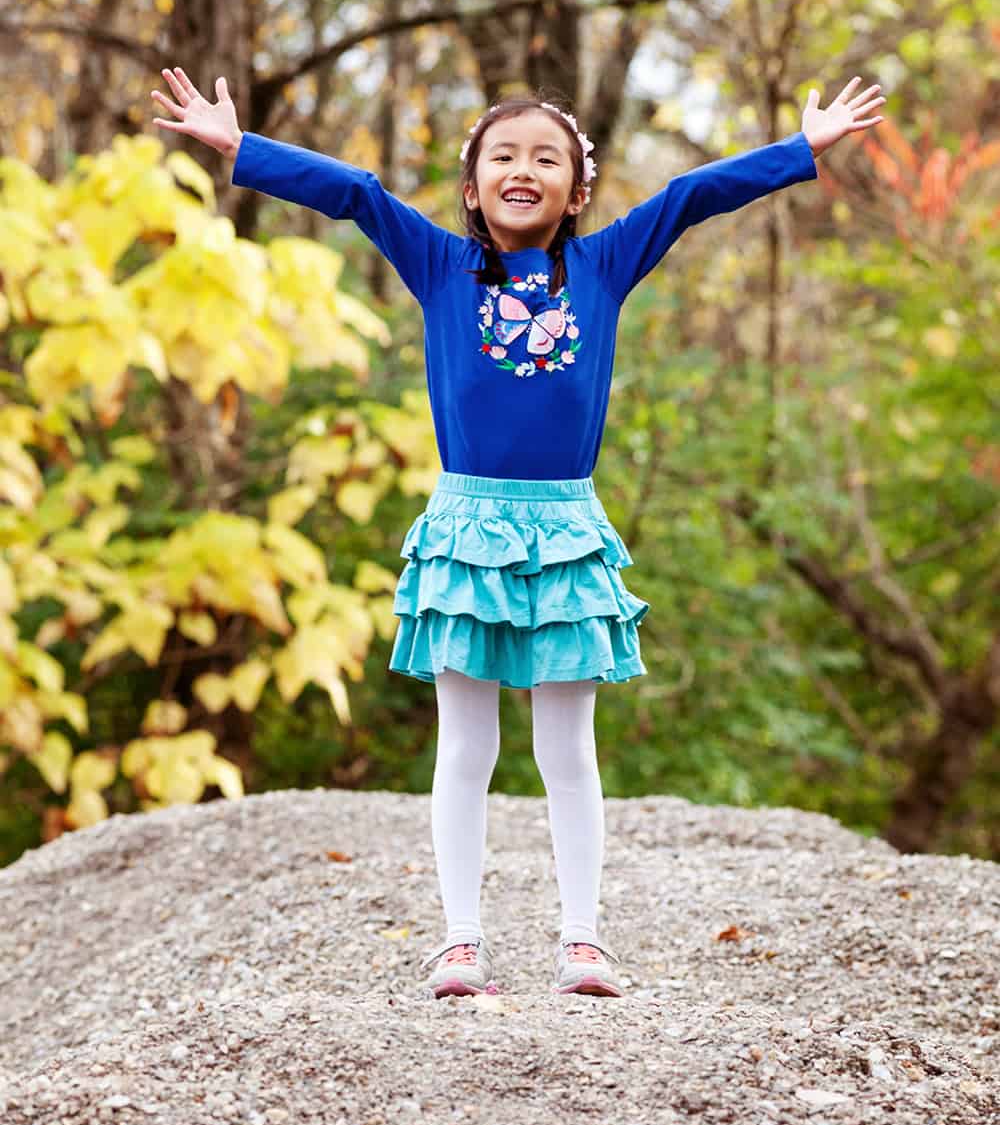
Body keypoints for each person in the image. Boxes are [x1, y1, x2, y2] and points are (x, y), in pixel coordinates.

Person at [151, 66, 885, 999]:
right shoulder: (440, 264)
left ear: (578, 190)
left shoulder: (605, 265)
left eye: (548, 157)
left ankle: (584, 942)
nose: (523, 169)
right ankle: (461, 942)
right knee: (467, 744)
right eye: (503, 155)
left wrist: (801, 150)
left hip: (568, 528)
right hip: (466, 526)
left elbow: (691, 195)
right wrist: (238, 147)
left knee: (565, 747)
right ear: (472, 185)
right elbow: (356, 194)